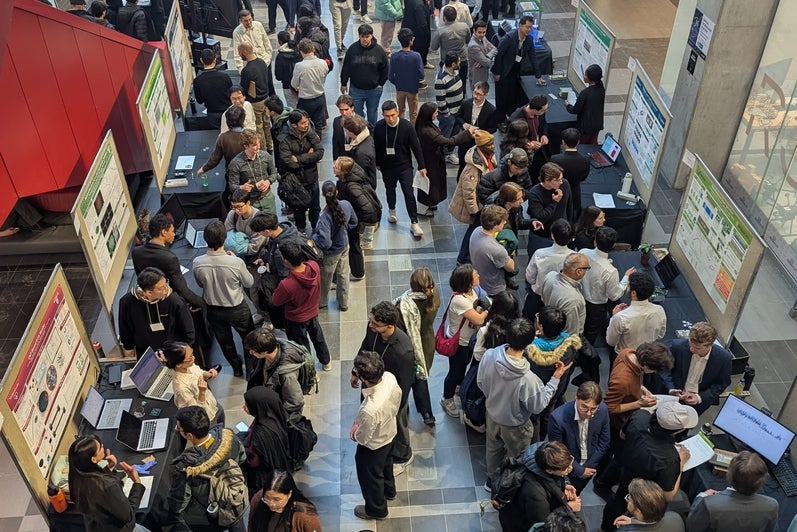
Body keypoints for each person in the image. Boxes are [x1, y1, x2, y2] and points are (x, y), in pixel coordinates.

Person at [479, 318, 572, 475]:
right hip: (516, 425)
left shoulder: (489, 355)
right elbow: (538, 406)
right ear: (530, 343)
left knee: (492, 449)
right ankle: (505, 486)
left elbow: (481, 382)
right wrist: (555, 378)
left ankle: (491, 479)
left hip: (492, 415)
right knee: (515, 459)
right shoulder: (528, 379)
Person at [601, 402, 697, 531]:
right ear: (678, 430)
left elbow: (622, 435)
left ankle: (606, 527)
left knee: (617, 502)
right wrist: (681, 463)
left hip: (627, 471)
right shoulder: (669, 459)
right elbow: (668, 495)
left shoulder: (639, 416)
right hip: (645, 490)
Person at [595, 342, 674, 496]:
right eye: (653, 370)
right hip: (617, 423)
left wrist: (641, 389)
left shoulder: (628, 352)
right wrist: (640, 403)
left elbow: (635, 379)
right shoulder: (623, 381)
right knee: (619, 456)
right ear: (646, 364)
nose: (653, 373)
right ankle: (600, 483)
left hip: (625, 415)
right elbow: (610, 407)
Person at [358, 301, 416, 474]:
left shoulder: (403, 350)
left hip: (393, 392)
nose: (370, 325)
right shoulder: (374, 329)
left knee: (398, 422)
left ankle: (403, 455)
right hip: (374, 383)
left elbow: (405, 383)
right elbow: (364, 348)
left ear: (390, 325)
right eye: (371, 321)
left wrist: (395, 406)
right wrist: (357, 371)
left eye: (375, 323)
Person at [167, 406, 247, 532]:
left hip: (207, 516)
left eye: (179, 429)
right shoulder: (228, 436)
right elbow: (242, 457)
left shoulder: (187, 467)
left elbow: (180, 502)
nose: (178, 430)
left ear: (189, 435)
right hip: (235, 499)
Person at [193, 220, 256, 377]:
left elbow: (200, 285)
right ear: (224, 238)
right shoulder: (235, 262)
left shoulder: (197, 263)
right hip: (237, 309)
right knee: (248, 339)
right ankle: (251, 370)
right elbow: (249, 282)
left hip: (213, 310)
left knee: (225, 342)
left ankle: (236, 368)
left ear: (206, 239)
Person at [349, 350, 402, 521]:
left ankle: (377, 509)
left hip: (373, 446)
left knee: (370, 477)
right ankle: (389, 491)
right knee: (386, 466)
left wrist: (355, 432)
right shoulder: (389, 377)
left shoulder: (370, 409)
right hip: (390, 433)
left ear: (364, 379)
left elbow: (363, 438)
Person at [271, 241, 332, 370]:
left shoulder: (287, 284)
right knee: (318, 338)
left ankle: (309, 371)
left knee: (301, 347)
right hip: (313, 311)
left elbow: (276, 301)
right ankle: (326, 362)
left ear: (286, 261)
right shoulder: (313, 266)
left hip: (296, 319)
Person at [67, 435, 147, 532]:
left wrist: (109, 468)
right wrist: (137, 483)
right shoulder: (109, 486)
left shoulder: (78, 481)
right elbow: (128, 515)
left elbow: (95, 484)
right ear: (93, 459)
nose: (103, 446)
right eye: (100, 447)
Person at [497, 440, 582, 531]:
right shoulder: (535, 493)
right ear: (549, 470)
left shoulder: (543, 455)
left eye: (571, 460)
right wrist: (568, 509)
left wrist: (565, 484)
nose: (571, 468)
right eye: (566, 468)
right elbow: (542, 524)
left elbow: (559, 475)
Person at [685, 451, 779, 532]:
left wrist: (701, 496)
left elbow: (692, 527)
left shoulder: (710, 504)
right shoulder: (772, 505)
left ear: (729, 474)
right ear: (762, 481)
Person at [394, 267, 441, 426]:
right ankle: (427, 414)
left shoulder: (404, 306)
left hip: (411, 347)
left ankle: (403, 407)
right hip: (427, 344)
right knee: (421, 378)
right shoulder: (435, 296)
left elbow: (399, 330)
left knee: (407, 379)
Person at [440, 264, 488, 417]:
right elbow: (480, 319)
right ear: (467, 281)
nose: (478, 275)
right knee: (454, 372)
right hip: (460, 342)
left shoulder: (471, 291)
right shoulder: (459, 300)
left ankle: (457, 387)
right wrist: (487, 310)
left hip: (468, 340)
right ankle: (446, 398)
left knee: (462, 367)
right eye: (475, 275)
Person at [373, 100, 427, 237]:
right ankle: (391, 210)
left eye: (392, 115)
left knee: (409, 193)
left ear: (397, 112)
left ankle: (414, 222)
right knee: (389, 190)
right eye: (387, 116)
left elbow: (416, 146)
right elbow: (376, 148)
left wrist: (422, 165)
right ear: (383, 115)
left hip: (404, 166)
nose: (390, 119)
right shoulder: (379, 127)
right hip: (387, 167)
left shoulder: (406, 126)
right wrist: (377, 163)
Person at [527, 306, 581, 441]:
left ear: (541, 326)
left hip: (536, 391)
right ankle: (542, 437)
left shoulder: (532, 350)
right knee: (547, 413)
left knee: (534, 417)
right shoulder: (569, 344)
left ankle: (534, 442)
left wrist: (533, 339)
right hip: (556, 389)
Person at [118, 266, 195, 358]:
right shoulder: (127, 302)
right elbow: (124, 328)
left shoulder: (175, 302)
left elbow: (188, 330)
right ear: (149, 293)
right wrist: (128, 347)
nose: (166, 289)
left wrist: (181, 352)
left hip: (171, 353)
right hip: (145, 352)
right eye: (161, 288)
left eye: (166, 284)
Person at [548, 381, 610, 493]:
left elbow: (604, 442)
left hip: (590, 465)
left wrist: (589, 467)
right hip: (566, 468)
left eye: (593, 409)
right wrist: (579, 470)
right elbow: (557, 450)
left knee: (577, 492)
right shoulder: (557, 418)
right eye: (584, 407)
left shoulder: (603, 410)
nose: (588, 414)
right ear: (577, 398)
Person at [132, 214, 204, 310]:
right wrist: (201, 303)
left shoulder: (136, 252)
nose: (174, 234)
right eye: (172, 231)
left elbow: (140, 276)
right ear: (163, 232)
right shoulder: (170, 258)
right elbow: (182, 290)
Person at [662, 321, 733, 415]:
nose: (691, 349)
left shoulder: (724, 358)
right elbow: (665, 369)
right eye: (690, 344)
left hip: (699, 401)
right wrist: (671, 388)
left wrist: (700, 398)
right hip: (673, 394)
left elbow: (721, 384)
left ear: (710, 345)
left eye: (697, 348)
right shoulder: (677, 346)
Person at [414, 102, 472, 216]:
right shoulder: (429, 132)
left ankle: (430, 203)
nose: (437, 114)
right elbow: (448, 142)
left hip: (431, 159)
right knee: (431, 184)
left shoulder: (423, 124)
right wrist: (466, 134)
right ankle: (423, 207)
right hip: (431, 161)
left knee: (432, 183)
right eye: (435, 112)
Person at [580, 226, 634, 348]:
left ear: (595, 240)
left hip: (580, 296)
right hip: (596, 306)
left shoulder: (583, 252)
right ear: (613, 245)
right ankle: (586, 353)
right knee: (591, 330)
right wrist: (626, 278)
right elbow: (614, 295)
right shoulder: (610, 271)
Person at [450, 130, 498, 263]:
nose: (493, 146)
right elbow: (468, 192)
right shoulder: (473, 168)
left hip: (485, 201)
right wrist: (474, 211)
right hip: (478, 206)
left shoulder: (489, 157)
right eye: (490, 144)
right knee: (473, 231)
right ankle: (463, 257)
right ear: (482, 146)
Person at [244, 327, 307, 422]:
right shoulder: (270, 347)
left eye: (253, 351)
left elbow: (295, 403)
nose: (250, 353)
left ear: (264, 352)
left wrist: (279, 421)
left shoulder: (287, 375)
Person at [313, 180, 358, 311]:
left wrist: (315, 238)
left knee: (325, 279)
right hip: (344, 246)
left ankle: (322, 302)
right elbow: (354, 222)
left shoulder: (324, 217)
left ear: (322, 195)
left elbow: (325, 242)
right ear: (337, 192)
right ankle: (343, 303)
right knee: (343, 275)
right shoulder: (346, 205)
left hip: (330, 254)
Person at [278, 109, 325, 232]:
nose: (306, 125)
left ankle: (316, 228)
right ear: (294, 125)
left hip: (312, 177)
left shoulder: (310, 132)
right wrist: (309, 156)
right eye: (303, 123)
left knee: (315, 207)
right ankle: (301, 229)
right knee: (298, 208)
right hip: (295, 180)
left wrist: (299, 159)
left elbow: (320, 152)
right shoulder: (284, 138)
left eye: (307, 122)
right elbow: (287, 161)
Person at [241, 386, 292, 496]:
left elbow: (253, 461)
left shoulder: (261, 434)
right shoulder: (275, 416)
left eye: (247, 404)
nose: (243, 407)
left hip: (262, 477)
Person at [491, 15, 544, 123]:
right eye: (527, 27)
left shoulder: (529, 39)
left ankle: (510, 118)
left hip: (515, 72)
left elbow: (533, 57)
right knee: (502, 98)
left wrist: (538, 76)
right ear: (520, 26)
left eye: (531, 27)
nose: (529, 30)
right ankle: (500, 121)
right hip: (503, 72)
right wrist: (497, 73)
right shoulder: (509, 38)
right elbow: (499, 55)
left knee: (512, 97)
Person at [160, 340, 223, 425]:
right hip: (206, 419)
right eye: (190, 358)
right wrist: (202, 392)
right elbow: (196, 413)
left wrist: (206, 374)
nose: (194, 358)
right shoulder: (181, 389)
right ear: (178, 364)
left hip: (212, 404)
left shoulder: (188, 365)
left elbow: (199, 372)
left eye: (192, 354)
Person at [523, 218, 574, 319]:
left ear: (552, 235)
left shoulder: (539, 254)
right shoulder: (574, 257)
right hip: (560, 299)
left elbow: (530, 276)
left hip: (537, 297)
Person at [333, 156, 381, 262]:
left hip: (354, 222)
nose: (333, 168)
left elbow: (369, 210)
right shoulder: (346, 179)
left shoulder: (351, 187)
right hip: (352, 216)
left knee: (355, 247)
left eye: (336, 167)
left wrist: (352, 218)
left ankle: (358, 273)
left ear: (343, 171)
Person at [606, 271, 667, 354]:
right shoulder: (660, 310)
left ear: (633, 293)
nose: (626, 288)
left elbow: (611, 342)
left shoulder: (620, 318)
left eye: (628, 286)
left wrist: (613, 318)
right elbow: (660, 335)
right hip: (647, 356)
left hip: (624, 357)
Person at [340, 24, 389, 127]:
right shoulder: (352, 49)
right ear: (359, 36)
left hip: (374, 89)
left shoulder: (379, 51)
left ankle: (372, 134)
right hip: (356, 89)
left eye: (367, 36)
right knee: (357, 115)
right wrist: (343, 83)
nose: (365, 39)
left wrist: (381, 83)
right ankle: (361, 131)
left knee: (372, 114)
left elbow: (385, 68)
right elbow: (346, 67)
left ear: (371, 36)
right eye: (362, 36)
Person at [197, 106, 247, 200]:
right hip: (249, 174)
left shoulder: (223, 138)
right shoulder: (250, 135)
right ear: (243, 119)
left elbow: (214, 159)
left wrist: (203, 169)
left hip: (232, 175)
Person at [248, 469, 323, 531]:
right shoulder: (258, 500)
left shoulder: (304, 515)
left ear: (289, 494)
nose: (271, 504)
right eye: (267, 498)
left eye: (277, 500)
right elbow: (251, 526)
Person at [227, 129, 280, 216]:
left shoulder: (265, 156)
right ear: (245, 146)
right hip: (250, 202)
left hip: (267, 198)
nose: (258, 147)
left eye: (259, 143)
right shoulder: (236, 163)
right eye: (254, 145)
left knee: (272, 224)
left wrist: (268, 181)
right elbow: (232, 186)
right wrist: (242, 187)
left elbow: (274, 173)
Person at [527, 161, 573, 254]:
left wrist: (569, 226)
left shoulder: (565, 184)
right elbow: (540, 218)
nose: (561, 182)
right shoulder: (534, 193)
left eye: (561, 178)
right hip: (542, 237)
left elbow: (569, 207)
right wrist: (555, 202)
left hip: (560, 235)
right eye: (558, 180)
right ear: (547, 180)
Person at [469, 204, 515, 297]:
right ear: (495, 225)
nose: (505, 222)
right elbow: (511, 267)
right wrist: (508, 252)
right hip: (493, 288)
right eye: (503, 221)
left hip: (479, 282)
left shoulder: (476, 231)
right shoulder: (496, 250)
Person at [540, 252, 590, 336]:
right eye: (587, 268)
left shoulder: (550, 275)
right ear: (579, 271)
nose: (587, 271)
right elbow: (570, 332)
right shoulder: (573, 300)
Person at [455, 80, 497, 175]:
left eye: (479, 94)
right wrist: (463, 124)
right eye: (474, 92)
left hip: (480, 144)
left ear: (485, 95)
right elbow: (458, 116)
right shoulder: (466, 103)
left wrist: (479, 132)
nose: (475, 96)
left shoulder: (491, 110)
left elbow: (493, 128)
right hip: (464, 141)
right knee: (462, 166)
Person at [239, 41, 273, 152]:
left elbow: (243, 88)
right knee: (267, 125)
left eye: (240, 52)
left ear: (244, 52)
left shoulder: (246, 71)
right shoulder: (262, 62)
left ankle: (262, 150)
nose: (239, 55)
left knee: (259, 127)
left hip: (255, 102)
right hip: (266, 99)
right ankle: (270, 145)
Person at [615, 478, 686, 531]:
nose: (627, 498)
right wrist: (633, 521)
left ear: (638, 511)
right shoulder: (676, 517)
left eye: (629, 498)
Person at [291, 38, 329, 133]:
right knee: (318, 125)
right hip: (320, 98)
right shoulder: (323, 63)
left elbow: (294, 84)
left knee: (304, 125)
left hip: (305, 100)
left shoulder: (299, 66)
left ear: (301, 52)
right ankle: (318, 144)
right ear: (313, 49)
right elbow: (324, 77)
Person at [551, 128, 592, 218]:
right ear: (578, 142)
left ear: (563, 142)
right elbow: (584, 177)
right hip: (575, 191)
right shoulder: (586, 160)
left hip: (557, 191)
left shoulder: (555, 159)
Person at [434, 52, 466, 165]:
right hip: (448, 115)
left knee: (454, 135)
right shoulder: (441, 79)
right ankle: (441, 155)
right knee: (445, 136)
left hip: (457, 112)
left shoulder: (456, 72)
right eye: (458, 61)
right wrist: (447, 114)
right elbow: (440, 100)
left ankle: (449, 153)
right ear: (453, 64)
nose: (460, 62)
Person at [431, 7, 471, 96]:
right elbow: (468, 40)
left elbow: (433, 47)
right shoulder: (465, 26)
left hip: (447, 62)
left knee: (446, 83)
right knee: (462, 82)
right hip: (462, 59)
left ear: (444, 17)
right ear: (456, 16)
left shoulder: (441, 31)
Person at [389, 28, 424, 124]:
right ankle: (413, 131)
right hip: (412, 89)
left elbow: (391, 76)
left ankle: (402, 129)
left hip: (400, 88)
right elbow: (421, 74)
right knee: (413, 113)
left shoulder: (394, 56)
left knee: (400, 111)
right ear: (411, 40)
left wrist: (397, 83)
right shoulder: (416, 56)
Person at [193, 48, 233, 129]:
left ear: (201, 60)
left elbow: (199, 101)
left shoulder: (197, 81)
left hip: (212, 113)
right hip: (227, 111)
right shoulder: (225, 77)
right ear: (215, 60)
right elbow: (231, 93)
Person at [566, 64, 605, 145]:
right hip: (597, 125)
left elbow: (576, 110)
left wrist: (568, 105)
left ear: (590, 78)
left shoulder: (585, 93)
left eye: (585, 75)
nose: (584, 76)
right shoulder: (601, 89)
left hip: (585, 127)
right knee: (592, 146)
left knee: (582, 146)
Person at [224, 188, 267, 261]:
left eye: (239, 206)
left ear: (248, 203)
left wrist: (236, 248)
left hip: (255, 257)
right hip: (235, 254)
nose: (236, 210)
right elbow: (227, 235)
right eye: (233, 207)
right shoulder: (233, 214)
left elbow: (255, 248)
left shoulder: (259, 220)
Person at [342, 114, 378, 189]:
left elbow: (358, 172)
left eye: (346, 130)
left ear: (350, 132)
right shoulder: (366, 136)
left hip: (363, 186)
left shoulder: (361, 153)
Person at [401, 0, 433, 69]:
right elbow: (422, 24)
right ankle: (419, 67)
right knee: (420, 51)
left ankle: (421, 63)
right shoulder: (419, 5)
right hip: (418, 34)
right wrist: (427, 35)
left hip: (410, 28)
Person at [468, 21, 497, 89]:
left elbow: (495, 49)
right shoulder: (473, 46)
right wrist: (489, 58)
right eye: (479, 32)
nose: (482, 34)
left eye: (484, 32)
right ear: (474, 31)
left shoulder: (483, 38)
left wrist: (486, 56)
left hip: (483, 74)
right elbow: (486, 63)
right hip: (477, 77)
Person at [332, 94, 356, 159]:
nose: (344, 113)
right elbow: (335, 142)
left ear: (352, 108)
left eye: (346, 109)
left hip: (356, 157)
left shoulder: (360, 122)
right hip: (343, 157)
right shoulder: (336, 121)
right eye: (341, 110)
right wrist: (335, 158)